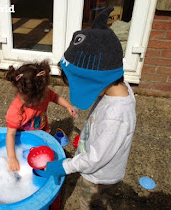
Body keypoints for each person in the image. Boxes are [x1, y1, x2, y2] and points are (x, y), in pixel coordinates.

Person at [42, 8, 137, 209]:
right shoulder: (118, 87)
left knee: (90, 206)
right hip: (97, 165)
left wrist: (64, 166)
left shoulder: (116, 116)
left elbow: (96, 158)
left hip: (98, 178)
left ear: (96, 80)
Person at [5, 60, 77, 171]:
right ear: (19, 92)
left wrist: (68, 106)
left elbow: (55, 97)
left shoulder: (44, 93)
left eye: (36, 100)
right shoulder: (16, 110)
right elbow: (10, 135)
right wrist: (12, 157)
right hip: (25, 138)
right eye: (27, 101)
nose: (33, 104)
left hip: (43, 130)